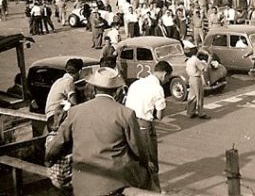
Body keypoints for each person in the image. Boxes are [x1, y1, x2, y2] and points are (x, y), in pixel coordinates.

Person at [45, 67, 153, 195]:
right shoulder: (126, 113)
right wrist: (146, 165)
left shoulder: (75, 111)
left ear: (94, 88)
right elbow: (139, 149)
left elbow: (57, 144)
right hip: (114, 183)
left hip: (82, 182)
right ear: (117, 91)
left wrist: (49, 159)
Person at [125, 61, 173, 192]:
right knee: (150, 158)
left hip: (129, 123)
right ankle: (154, 190)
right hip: (144, 124)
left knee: (134, 156)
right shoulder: (157, 88)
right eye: (168, 78)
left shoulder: (136, 83)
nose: (166, 80)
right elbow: (160, 115)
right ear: (164, 74)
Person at [45, 58, 83, 132]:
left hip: (49, 115)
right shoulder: (69, 82)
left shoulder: (59, 81)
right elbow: (74, 104)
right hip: (56, 117)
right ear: (80, 71)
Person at [185, 47, 210, 119]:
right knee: (199, 95)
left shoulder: (189, 60)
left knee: (192, 96)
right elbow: (204, 69)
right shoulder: (196, 60)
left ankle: (190, 112)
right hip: (196, 78)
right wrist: (208, 61)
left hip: (191, 78)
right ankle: (200, 112)